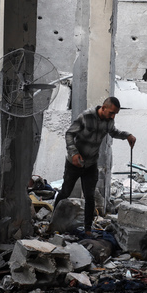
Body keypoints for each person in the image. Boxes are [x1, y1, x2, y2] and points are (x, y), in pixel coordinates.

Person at [53, 97, 136, 235]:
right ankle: (53, 222)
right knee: (65, 192)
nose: (113, 116)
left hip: (91, 164)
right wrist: (73, 153)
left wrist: (127, 135)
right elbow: (69, 133)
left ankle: (87, 229)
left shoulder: (109, 121)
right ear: (103, 108)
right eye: (111, 113)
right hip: (75, 162)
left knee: (90, 196)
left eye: (115, 114)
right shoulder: (86, 116)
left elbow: (113, 132)